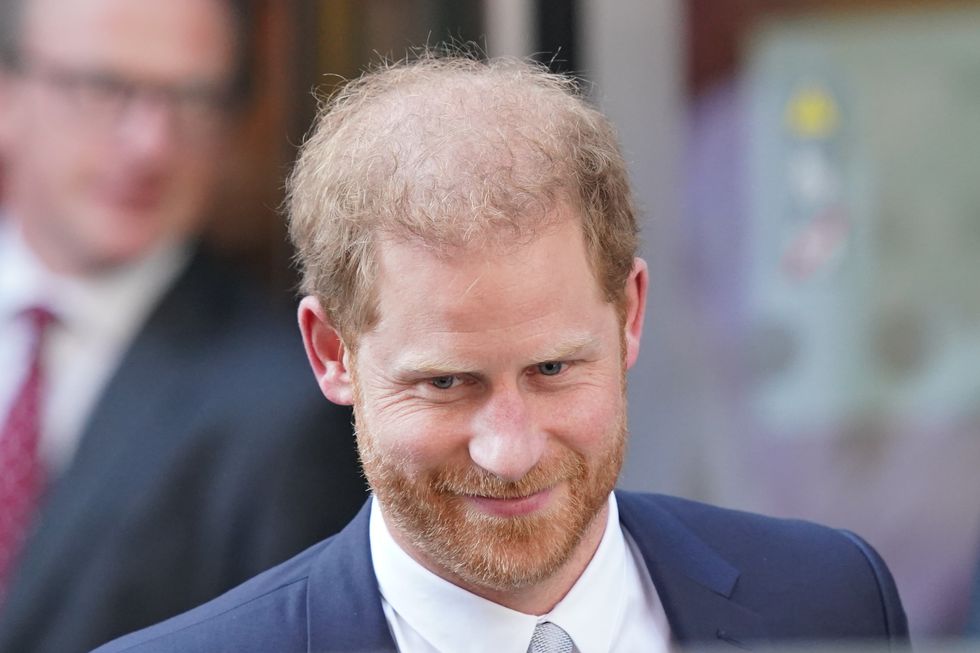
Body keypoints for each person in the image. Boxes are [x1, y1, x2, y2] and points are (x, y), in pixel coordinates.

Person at [93, 54, 908, 653]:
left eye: (553, 369)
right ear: (332, 351)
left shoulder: (830, 600)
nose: (510, 450)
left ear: (631, 315)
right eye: (446, 382)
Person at [0, 0, 366, 651]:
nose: (151, 143)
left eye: (194, 100)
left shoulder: (285, 405)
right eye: (104, 88)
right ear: (9, 93)